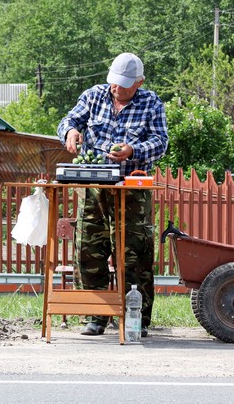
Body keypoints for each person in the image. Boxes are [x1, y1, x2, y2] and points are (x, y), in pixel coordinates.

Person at [57, 52, 168, 336]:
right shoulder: (93, 96)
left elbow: (160, 142)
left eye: (126, 85)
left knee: (134, 253)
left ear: (139, 82)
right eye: (115, 83)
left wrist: (133, 151)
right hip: (94, 188)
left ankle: (135, 320)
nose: (118, 89)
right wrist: (70, 132)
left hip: (132, 187)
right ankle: (95, 317)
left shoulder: (151, 102)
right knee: (89, 250)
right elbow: (69, 120)